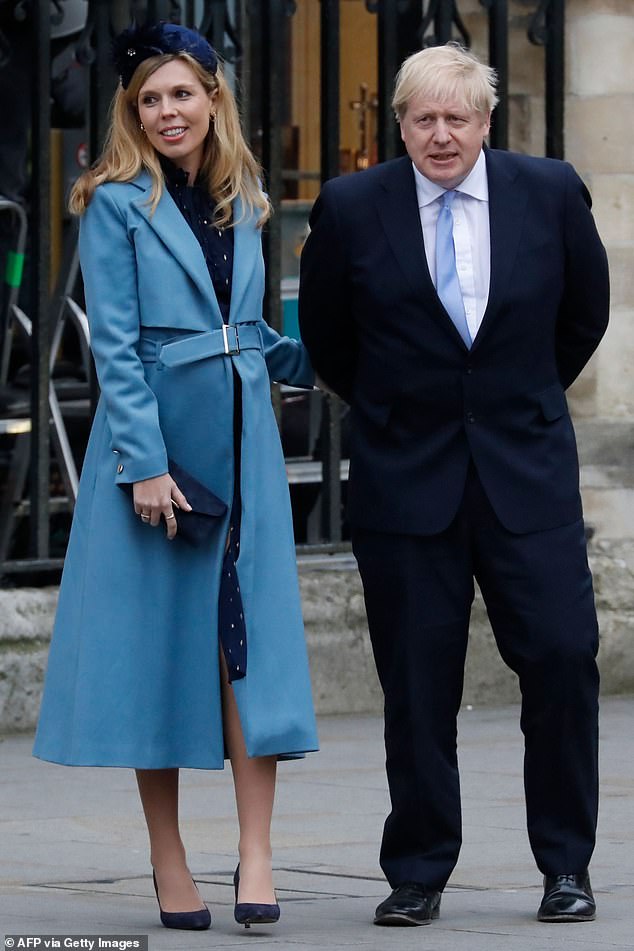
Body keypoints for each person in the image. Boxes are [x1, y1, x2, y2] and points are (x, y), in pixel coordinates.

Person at [299, 43, 609, 927]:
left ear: (486, 122)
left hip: (526, 474)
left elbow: (584, 314)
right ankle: (420, 867)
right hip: (408, 479)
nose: (441, 135)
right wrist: (404, 408)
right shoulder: (354, 207)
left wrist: (511, 401)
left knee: (560, 658)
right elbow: (329, 337)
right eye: (423, 119)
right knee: (417, 680)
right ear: (399, 124)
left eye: (457, 118)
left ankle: (566, 864)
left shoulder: (549, 192)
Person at [34, 21, 318, 932]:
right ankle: (168, 859)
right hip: (156, 455)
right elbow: (114, 348)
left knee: (252, 653)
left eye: (181, 94)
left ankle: (259, 852)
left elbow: (251, 327)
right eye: (149, 99)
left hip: (244, 440)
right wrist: (144, 467)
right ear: (132, 112)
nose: (166, 112)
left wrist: (317, 356)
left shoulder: (246, 196)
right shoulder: (114, 201)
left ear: (214, 99)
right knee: (156, 657)